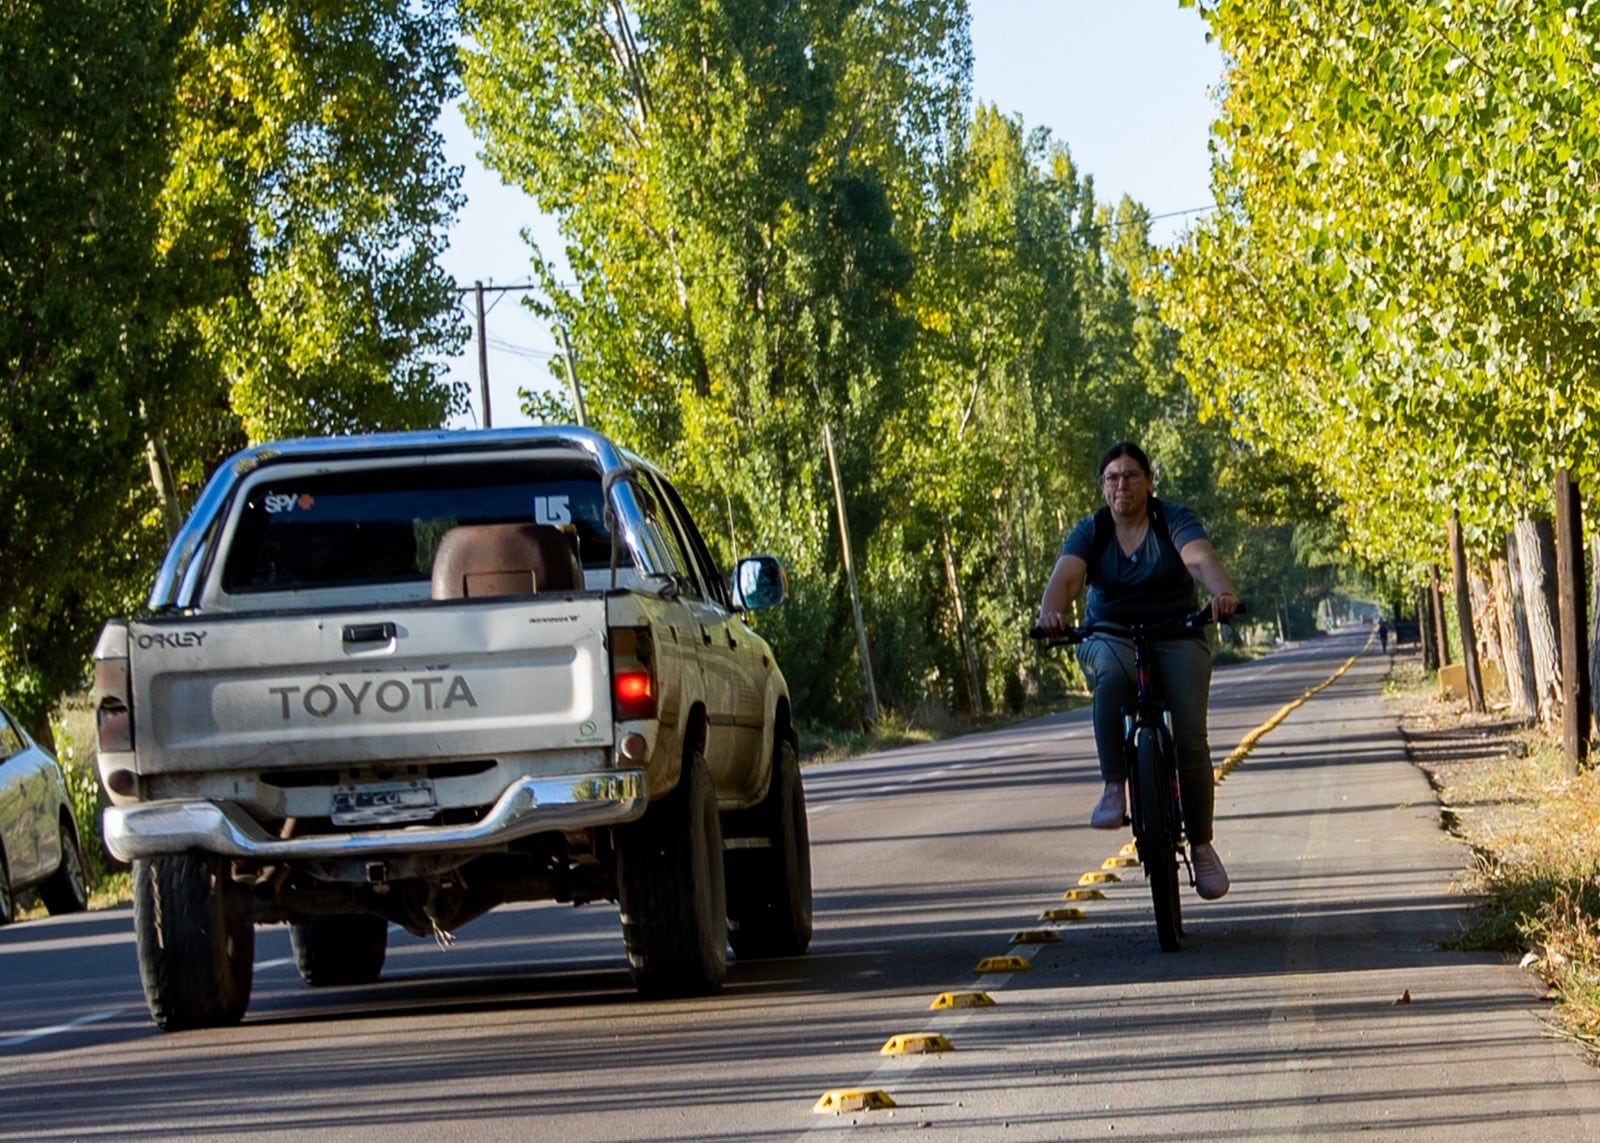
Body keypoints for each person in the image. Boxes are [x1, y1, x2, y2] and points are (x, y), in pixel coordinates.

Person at [1035, 442, 1241, 901]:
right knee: (1109, 673)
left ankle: (1202, 845)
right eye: (1112, 478)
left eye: (1131, 475)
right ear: (1102, 487)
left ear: (1149, 481)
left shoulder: (1172, 520)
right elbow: (1067, 578)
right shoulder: (1092, 530)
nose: (1121, 485)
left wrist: (1221, 594)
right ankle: (1114, 786)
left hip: (1176, 632)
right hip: (1110, 635)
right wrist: (1051, 615)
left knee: (1190, 736)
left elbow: (1198, 558)